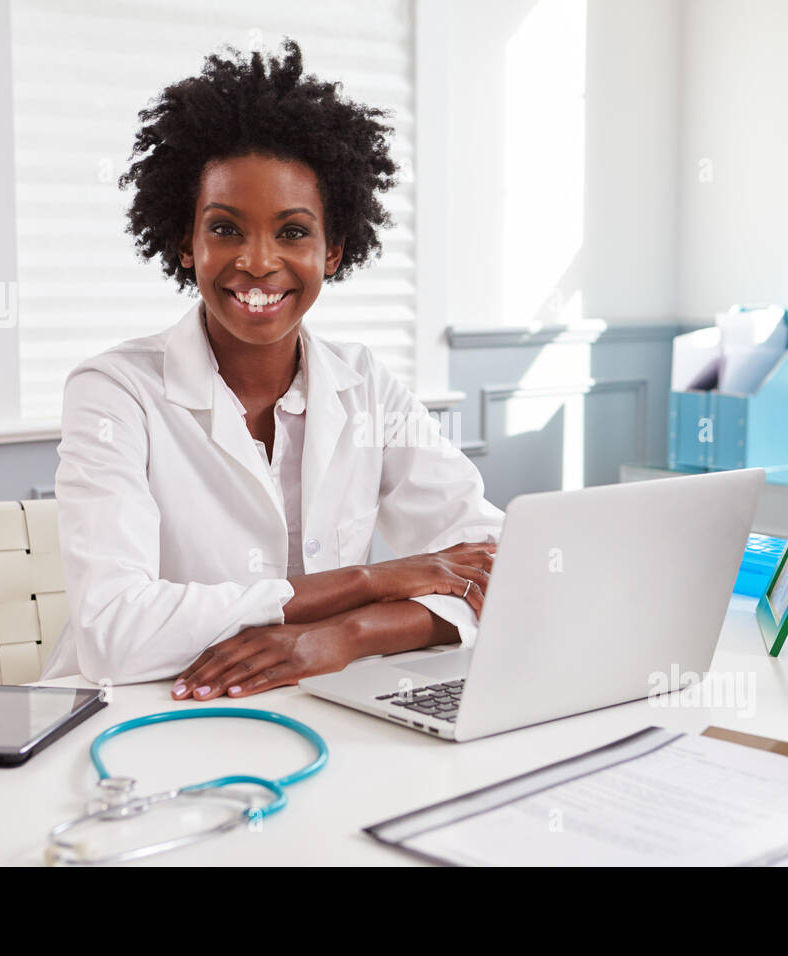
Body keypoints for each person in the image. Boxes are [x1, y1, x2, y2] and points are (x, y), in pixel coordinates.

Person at [39, 38, 504, 700]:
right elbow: (115, 635)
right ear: (185, 243)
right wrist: (370, 580)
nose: (257, 262)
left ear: (334, 250)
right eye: (226, 228)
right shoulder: (114, 392)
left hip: (319, 703)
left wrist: (346, 636)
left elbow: (492, 566)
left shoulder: (366, 385)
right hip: (140, 716)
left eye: (291, 232)